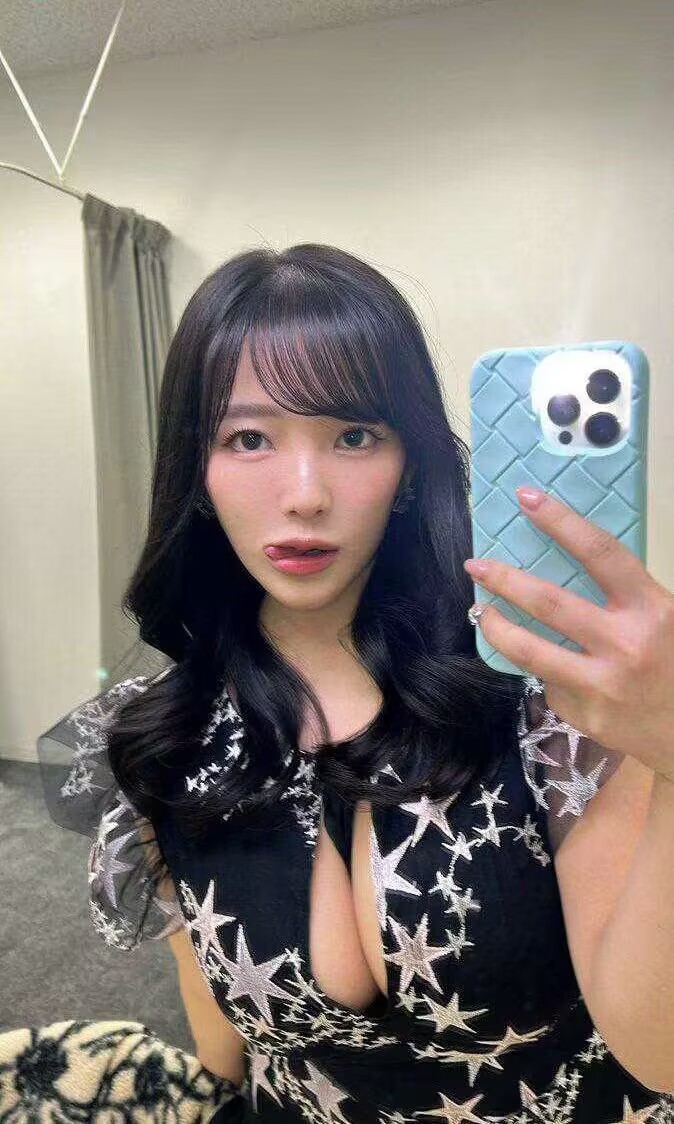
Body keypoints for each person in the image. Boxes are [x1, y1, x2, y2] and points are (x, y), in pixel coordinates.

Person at [37, 244, 674, 1124]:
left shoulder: (544, 702)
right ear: (197, 471)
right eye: (248, 438)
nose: (305, 495)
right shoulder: (170, 736)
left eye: (354, 436)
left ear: (409, 466)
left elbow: (659, 1048)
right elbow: (221, 1029)